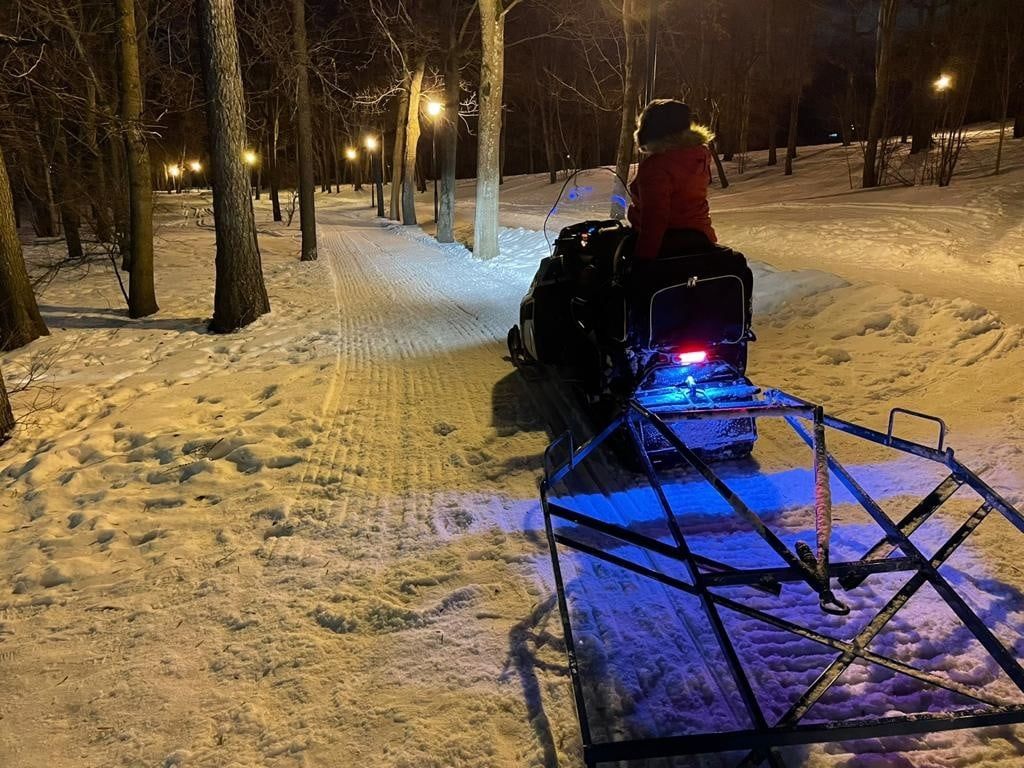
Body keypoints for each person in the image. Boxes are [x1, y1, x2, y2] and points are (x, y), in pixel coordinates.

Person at [627, 99, 717, 261]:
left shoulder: (656, 166)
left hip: (667, 248)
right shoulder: (698, 155)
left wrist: (641, 263)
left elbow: (654, 221)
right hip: (701, 240)